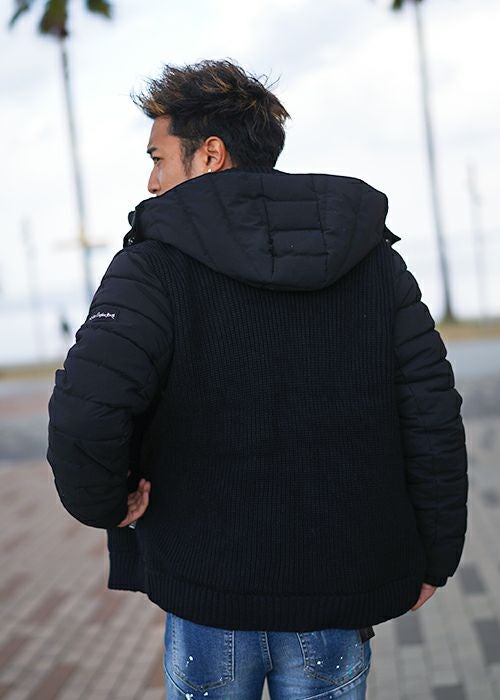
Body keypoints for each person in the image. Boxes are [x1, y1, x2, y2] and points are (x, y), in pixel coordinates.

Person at [47, 59, 468, 699]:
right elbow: (431, 413)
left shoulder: (151, 266)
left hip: (207, 590)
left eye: (158, 158)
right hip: (337, 593)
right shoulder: (375, 262)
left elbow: (86, 410)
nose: (152, 181)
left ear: (210, 154)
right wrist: (436, 553)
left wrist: (106, 503)